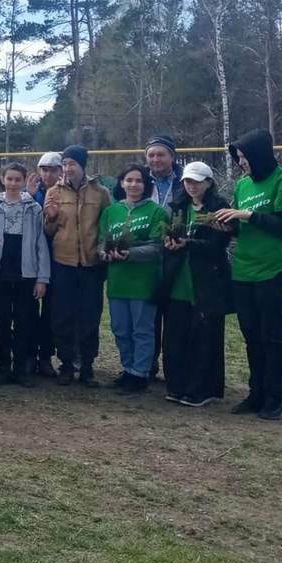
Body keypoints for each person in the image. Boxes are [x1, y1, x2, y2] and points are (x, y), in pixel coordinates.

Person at [217, 129, 282, 421]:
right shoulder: (243, 185)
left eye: (245, 157)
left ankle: (274, 398)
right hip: (243, 270)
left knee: (271, 336)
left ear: (260, 155)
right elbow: (242, 228)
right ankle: (256, 393)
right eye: (239, 158)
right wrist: (227, 225)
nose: (241, 163)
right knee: (251, 335)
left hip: (271, 270)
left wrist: (249, 215)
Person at [161, 162, 233, 407]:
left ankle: (200, 389)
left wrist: (189, 244)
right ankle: (176, 385)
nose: (191, 186)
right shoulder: (178, 207)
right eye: (188, 181)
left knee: (203, 337)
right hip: (178, 278)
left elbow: (218, 245)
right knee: (175, 336)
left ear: (208, 183)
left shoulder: (219, 208)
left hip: (206, 280)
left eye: (197, 182)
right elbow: (169, 236)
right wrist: (169, 243)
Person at [43, 145, 111, 387]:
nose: (68, 168)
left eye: (72, 163)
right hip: (63, 262)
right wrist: (51, 218)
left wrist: (103, 251)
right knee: (63, 315)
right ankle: (66, 364)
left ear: (83, 165)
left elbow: (107, 226)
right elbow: (48, 231)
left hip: (91, 264)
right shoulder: (54, 191)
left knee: (90, 316)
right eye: (65, 164)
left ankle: (88, 366)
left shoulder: (100, 192)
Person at [0, 163, 51, 385]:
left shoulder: (34, 208)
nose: (13, 183)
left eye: (17, 179)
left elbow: (41, 244)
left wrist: (42, 278)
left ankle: (21, 368)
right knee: (2, 322)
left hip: (26, 274)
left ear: (24, 181)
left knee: (24, 322)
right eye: (9, 179)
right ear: (3, 180)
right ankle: (4, 367)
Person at [99, 164, 167, 394]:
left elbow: (157, 247)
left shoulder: (156, 212)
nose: (134, 185)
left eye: (139, 181)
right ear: (122, 183)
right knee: (120, 329)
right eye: (129, 180)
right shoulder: (111, 211)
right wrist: (104, 252)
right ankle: (127, 369)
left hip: (143, 280)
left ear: (146, 185)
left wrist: (130, 254)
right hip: (117, 280)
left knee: (142, 329)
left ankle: (140, 373)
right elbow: (101, 240)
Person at [143, 134, 184, 380]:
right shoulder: (138, 179)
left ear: (172, 157)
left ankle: (175, 368)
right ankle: (147, 365)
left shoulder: (184, 181)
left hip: (175, 252)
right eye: (151, 155)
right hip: (147, 253)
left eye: (161, 154)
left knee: (174, 313)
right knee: (148, 314)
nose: (155, 159)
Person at [29, 152, 63, 377]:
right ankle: (29, 355)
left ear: (60, 171)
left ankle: (45, 357)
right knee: (29, 310)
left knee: (51, 311)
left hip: (58, 257)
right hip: (31, 258)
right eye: (44, 169)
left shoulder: (64, 193)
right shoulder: (30, 193)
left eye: (53, 170)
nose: (48, 174)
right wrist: (31, 198)